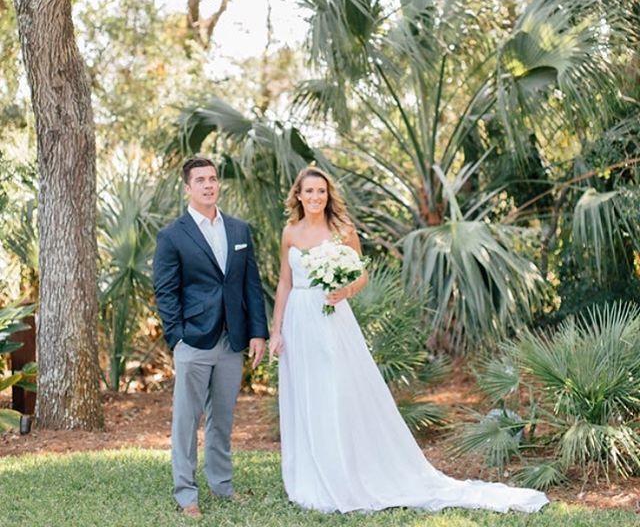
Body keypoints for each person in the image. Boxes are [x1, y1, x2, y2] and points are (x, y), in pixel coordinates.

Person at [269, 166, 549, 514]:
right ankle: (310, 475)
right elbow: (284, 282)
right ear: (298, 195)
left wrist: (346, 290)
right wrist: (276, 329)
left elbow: (361, 274)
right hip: (298, 318)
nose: (315, 197)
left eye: (321, 191)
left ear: (328, 196)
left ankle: (342, 474)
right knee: (306, 393)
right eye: (309, 191)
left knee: (334, 393)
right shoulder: (290, 232)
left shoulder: (342, 230)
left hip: (330, 318)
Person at [153, 157, 269, 518]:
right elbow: (166, 291)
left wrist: (257, 332)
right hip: (194, 341)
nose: (208, 185)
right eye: (200, 180)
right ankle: (186, 494)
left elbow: (251, 284)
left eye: (213, 179)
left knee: (223, 418)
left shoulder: (238, 230)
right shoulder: (172, 236)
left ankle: (221, 485)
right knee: (186, 419)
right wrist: (178, 338)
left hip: (232, 340)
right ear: (187, 188)